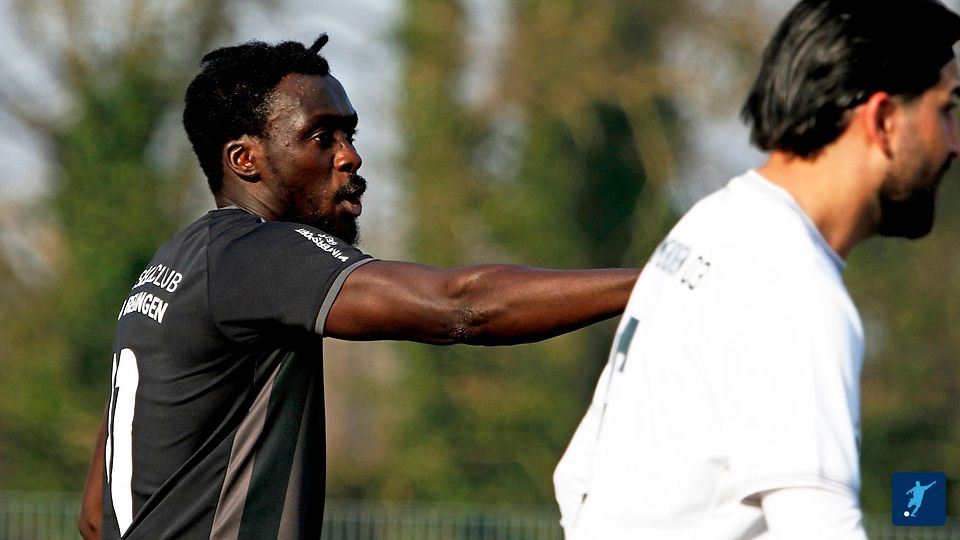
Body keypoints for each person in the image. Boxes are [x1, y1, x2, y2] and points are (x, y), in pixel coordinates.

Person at [76, 35, 640, 540]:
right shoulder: (256, 253)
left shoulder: (172, 266)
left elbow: (97, 517)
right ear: (245, 159)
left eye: (349, 133)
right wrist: (657, 284)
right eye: (322, 136)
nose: (350, 155)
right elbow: (460, 306)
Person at [553, 0, 960, 538]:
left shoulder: (710, 224)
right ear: (883, 120)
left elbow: (578, 478)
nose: (955, 142)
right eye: (947, 110)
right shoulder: (793, 287)